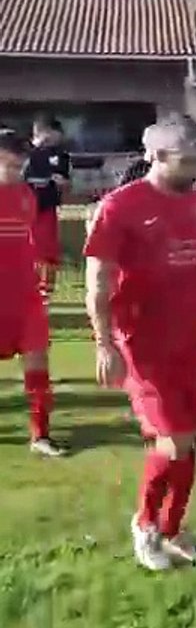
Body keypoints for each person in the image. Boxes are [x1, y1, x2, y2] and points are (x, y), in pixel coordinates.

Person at [84, 114, 196, 571]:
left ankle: (174, 529)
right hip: (143, 343)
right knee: (174, 440)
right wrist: (104, 343)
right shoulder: (119, 207)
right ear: (158, 156)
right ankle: (145, 524)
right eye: (187, 160)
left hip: (189, 338)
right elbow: (98, 283)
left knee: (188, 437)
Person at [0, 130, 65, 457]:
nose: (14, 173)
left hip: (25, 297)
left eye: (18, 166)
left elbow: (29, 244)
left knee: (38, 364)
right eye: (7, 165)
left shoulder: (26, 195)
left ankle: (40, 435)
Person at [23, 113, 70, 301]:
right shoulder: (24, 152)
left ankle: (46, 289)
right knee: (28, 247)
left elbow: (66, 181)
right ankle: (28, 286)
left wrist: (61, 182)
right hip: (25, 208)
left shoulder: (61, 155)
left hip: (47, 207)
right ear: (44, 132)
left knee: (48, 248)